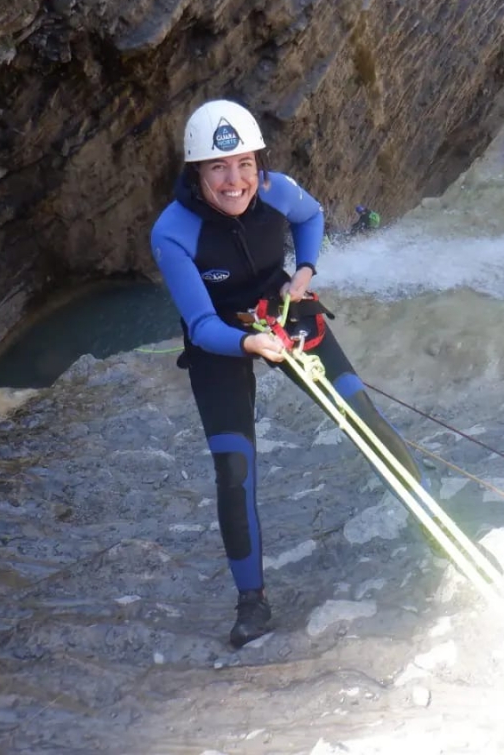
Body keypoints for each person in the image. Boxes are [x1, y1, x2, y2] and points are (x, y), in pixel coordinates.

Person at [150, 99, 424, 648]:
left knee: (358, 410)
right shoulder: (172, 232)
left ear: (258, 164)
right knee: (234, 466)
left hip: (280, 307)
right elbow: (202, 325)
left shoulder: (278, 191)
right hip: (222, 338)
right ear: (196, 173)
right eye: (218, 169)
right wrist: (251, 342)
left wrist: (303, 270)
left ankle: (428, 512)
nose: (235, 181)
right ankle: (252, 602)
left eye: (245, 165)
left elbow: (313, 216)